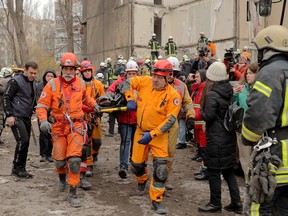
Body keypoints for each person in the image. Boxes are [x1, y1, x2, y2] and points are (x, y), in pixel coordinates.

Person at [36, 53, 97, 207]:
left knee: (75, 160)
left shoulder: (82, 84)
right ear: (62, 69)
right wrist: (43, 120)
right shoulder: (52, 85)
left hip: (76, 126)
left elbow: (85, 98)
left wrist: (94, 104)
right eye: (66, 69)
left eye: (71, 69)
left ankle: (73, 192)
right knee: (60, 161)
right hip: (59, 127)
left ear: (75, 69)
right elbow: (42, 105)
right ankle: (62, 177)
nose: (69, 72)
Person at [121, 59, 181, 214]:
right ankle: (142, 180)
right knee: (136, 165)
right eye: (154, 75)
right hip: (141, 131)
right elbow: (126, 83)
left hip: (159, 135)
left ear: (168, 77)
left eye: (160, 77)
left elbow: (170, 120)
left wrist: (152, 134)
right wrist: (130, 98)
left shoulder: (173, 95)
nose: (155, 80)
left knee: (161, 169)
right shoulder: (145, 82)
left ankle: (157, 199)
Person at [241, 25, 288, 215]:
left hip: (274, 161)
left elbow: (257, 118)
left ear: (266, 50)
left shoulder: (269, 73)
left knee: (259, 208)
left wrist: (247, 138)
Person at [198, 62, 242, 213]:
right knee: (228, 171)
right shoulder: (229, 89)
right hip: (229, 136)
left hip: (216, 138)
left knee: (213, 171)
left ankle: (215, 203)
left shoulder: (212, 94)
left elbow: (208, 115)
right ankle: (236, 202)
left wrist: (200, 113)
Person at [3, 62, 38, 179]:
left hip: (26, 116)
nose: (33, 75)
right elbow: (6, 97)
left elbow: (30, 97)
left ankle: (21, 168)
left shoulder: (33, 82)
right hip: (16, 116)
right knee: (23, 141)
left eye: (35, 73)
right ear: (25, 70)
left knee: (26, 143)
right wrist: (9, 115)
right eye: (31, 72)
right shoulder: (15, 81)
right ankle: (16, 168)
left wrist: (33, 107)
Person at [166, 56, 195, 188]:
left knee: (170, 153)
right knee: (155, 153)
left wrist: (191, 116)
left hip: (173, 124)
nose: (171, 76)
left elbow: (188, 103)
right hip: (156, 123)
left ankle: (163, 178)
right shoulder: (157, 84)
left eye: (174, 73)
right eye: (169, 73)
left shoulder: (181, 86)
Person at [107, 60, 138, 178]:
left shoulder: (142, 84)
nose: (132, 76)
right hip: (124, 118)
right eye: (130, 74)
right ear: (126, 73)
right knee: (125, 141)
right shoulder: (119, 83)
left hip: (137, 119)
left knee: (136, 142)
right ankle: (123, 166)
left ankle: (134, 162)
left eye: (134, 74)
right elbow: (109, 92)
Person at [79, 60, 105, 184]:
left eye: (89, 71)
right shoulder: (79, 85)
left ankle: (95, 154)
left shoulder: (98, 84)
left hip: (95, 117)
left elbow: (103, 99)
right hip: (83, 116)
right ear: (82, 72)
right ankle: (89, 165)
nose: (87, 73)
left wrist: (100, 110)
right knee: (86, 142)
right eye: (85, 71)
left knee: (97, 141)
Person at [36, 68, 57, 162]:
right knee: (43, 133)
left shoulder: (56, 87)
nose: (50, 78)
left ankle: (49, 154)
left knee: (51, 134)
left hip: (53, 114)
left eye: (52, 76)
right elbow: (37, 99)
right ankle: (43, 154)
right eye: (48, 76)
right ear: (44, 76)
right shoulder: (39, 86)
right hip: (42, 113)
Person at [191, 70, 208, 179]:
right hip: (198, 122)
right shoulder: (197, 88)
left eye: (197, 76)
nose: (195, 78)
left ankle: (206, 171)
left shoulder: (203, 89)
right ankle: (203, 169)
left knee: (204, 148)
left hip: (202, 123)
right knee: (201, 147)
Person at [0, 67, 14, 145]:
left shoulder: (4, 81)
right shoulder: (8, 81)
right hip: (2, 106)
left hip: (3, 106)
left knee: (1, 123)